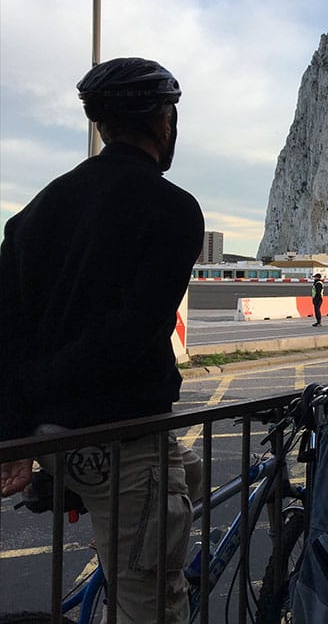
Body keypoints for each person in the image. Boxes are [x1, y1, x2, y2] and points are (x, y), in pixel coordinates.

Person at [0, 57, 205, 624]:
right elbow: (135, 334)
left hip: (51, 436)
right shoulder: (172, 207)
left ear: (101, 123)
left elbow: (7, 330)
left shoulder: (35, 211)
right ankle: (131, 565)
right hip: (123, 438)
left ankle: (120, 550)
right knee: (154, 609)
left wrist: (17, 430)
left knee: (191, 472)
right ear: (165, 122)